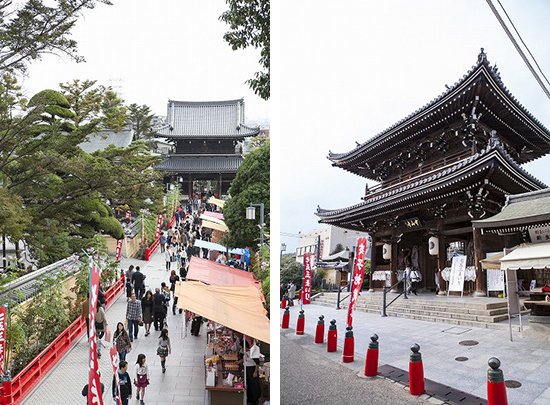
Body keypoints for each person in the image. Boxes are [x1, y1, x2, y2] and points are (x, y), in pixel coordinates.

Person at [243, 337, 261, 405]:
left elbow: (257, 362)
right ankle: (250, 399)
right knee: (249, 384)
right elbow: (246, 358)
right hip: (247, 367)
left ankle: (255, 400)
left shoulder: (255, 349)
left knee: (253, 385)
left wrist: (255, 371)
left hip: (252, 369)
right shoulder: (247, 350)